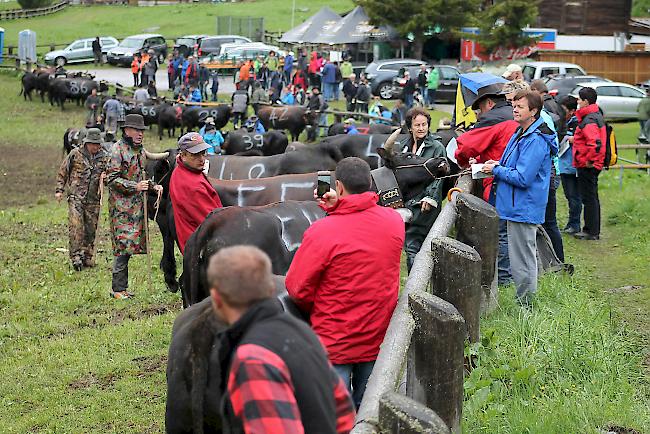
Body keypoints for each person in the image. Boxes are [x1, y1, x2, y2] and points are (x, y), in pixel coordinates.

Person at [286, 157, 405, 408]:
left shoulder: (321, 232)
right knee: (369, 411)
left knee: (333, 415)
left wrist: (319, 308)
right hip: (377, 339)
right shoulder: (394, 222)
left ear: (337, 187)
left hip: (334, 342)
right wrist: (337, 207)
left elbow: (297, 288)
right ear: (371, 184)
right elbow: (358, 228)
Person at [208, 245, 356, 432]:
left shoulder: (254, 357)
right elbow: (343, 410)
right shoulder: (303, 331)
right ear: (270, 288)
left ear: (216, 298)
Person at [481, 90, 557, 306]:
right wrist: (496, 165)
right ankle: (524, 302)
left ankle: (526, 306)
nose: (515, 109)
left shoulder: (535, 140)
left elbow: (523, 177)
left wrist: (496, 170)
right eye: (514, 105)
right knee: (520, 258)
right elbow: (513, 166)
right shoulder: (521, 132)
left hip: (524, 207)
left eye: (520, 106)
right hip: (516, 205)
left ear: (533, 112)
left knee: (522, 260)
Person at [455, 82, 520, 285]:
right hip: (519, 178)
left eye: (480, 108)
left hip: (498, 183)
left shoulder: (493, 120)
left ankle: (503, 278)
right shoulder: (516, 116)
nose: (479, 113)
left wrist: (464, 161)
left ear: (489, 103)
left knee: (499, 230)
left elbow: (465, 145)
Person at [105, 114, 162, 299]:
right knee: (123, 247)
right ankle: (117, 290)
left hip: (137, 208)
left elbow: (141, 176)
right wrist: (134, 187)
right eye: (137, 130)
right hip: (122, 209)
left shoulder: (139, 151)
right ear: (126, 130)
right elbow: (112, 179)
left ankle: (122, 288)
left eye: (142, 131)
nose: (140, 134)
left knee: (128, 248)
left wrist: (153, 186)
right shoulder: (117, 150)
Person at [388, 107, 446, 271]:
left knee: (414, 241)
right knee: (409, 242)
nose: (421, 128)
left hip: (424, 203)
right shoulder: (404, 145)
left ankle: (415, 281)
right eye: (417, 125)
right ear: (410, 127)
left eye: (424, 124)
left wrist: (430, 198)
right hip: (407, 201)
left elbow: (439, 176)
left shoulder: (436, 146)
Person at [55, 128, 108, 271]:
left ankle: (87, 255)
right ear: (86, 143)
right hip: (76, 197)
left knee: (91, 229)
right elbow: (63, 172)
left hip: (93, 199)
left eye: (98, 144)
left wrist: (106, 177)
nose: (96, 147)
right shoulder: (75, 154)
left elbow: (110, 175)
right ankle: (76, 257)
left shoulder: (104, 157)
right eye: (93, 144)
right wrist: (59, 190)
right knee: (76, 226)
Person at [169, 133, 223, 254]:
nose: (202, 159)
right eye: (195, 155)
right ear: (183, 155)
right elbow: (213, 222)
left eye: (203, 153)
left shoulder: (180, 170)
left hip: (192, 243)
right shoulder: (193, 186)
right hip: (204, 249)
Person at [571, 86, 607, 240]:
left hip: (588, 165)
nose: (577, 102)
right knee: (591, 197)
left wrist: (589, 161)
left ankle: (591, 231)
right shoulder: (595, 115)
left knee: (589, 198)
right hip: (591, 163)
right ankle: (591, 229)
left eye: (579, 99)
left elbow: (595, 143)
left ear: (585, 101)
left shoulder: (589, 119)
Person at [558, 95, 582, 234]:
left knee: (575, 197)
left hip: (573, 166)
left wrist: (568, 138)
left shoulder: (577, 123)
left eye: (564, 110)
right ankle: (571, 222)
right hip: (563, 165)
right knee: (569, 196)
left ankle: (575, 224)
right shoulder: (563, 122)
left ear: (572, 111)